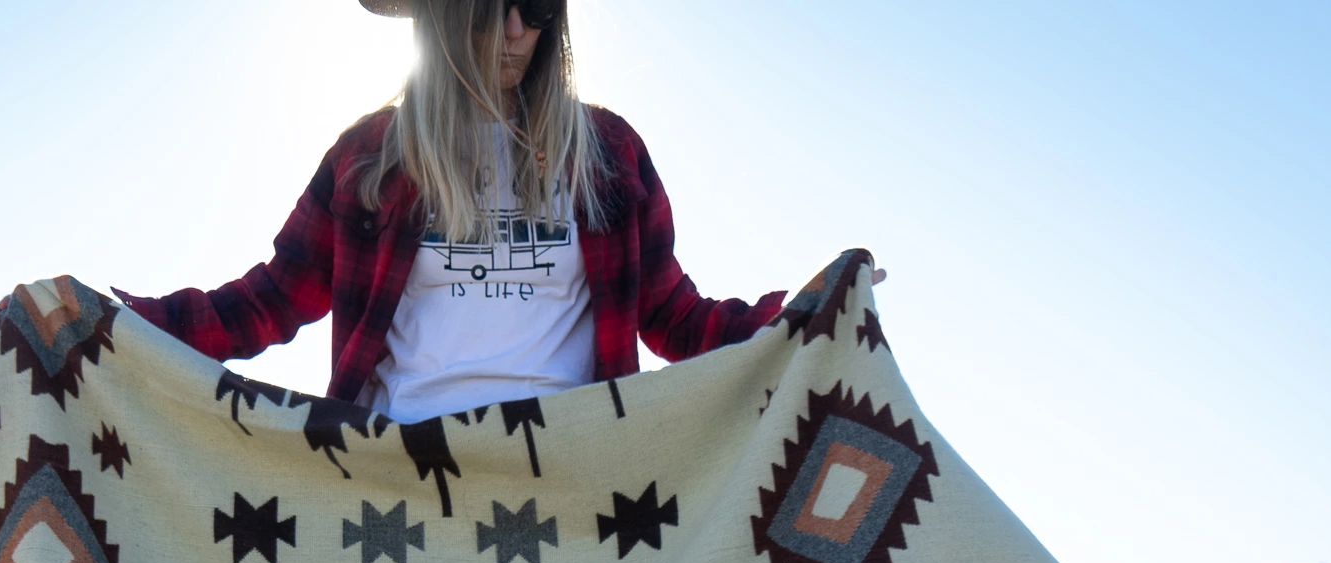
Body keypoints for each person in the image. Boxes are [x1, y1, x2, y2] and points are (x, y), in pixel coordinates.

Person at [123, 0, 833, 424]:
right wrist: (119, 322)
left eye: (537, 6)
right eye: (494, 4)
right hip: (397, 476)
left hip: (577, 478)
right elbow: (268, 301)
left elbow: (676, 318)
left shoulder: (607, 152)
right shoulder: (372, 156)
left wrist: (803, 312)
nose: (517, 29)